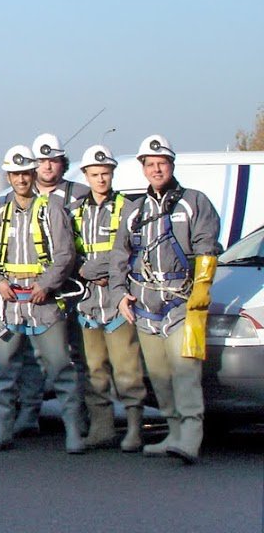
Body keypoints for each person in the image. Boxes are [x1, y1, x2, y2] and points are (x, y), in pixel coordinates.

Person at [112, 134, 221, 465]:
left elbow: (207, 249)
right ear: (143, 168)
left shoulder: (194, 202)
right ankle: (173, 432)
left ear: (172, 165)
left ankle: (191, 436)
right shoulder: (135, 210)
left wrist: (200, 295)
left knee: (185, 373)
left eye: (162, 163)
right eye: (151, 164)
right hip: (145, 306)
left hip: (181, 303)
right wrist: (119, 294)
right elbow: (119, 255)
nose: (156, 169)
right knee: (159, 376)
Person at [0, 146, 84, 453]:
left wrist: (47, 284)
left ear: (32, 174)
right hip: (9, 305)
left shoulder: (52, 210)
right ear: (8, 176)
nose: (21, 180)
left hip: (44, 304)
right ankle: (2, 431)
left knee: (60, 367)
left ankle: (74, 432)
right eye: (15, 174)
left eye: (25, 174)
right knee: (4, 371)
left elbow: (65, 254)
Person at [70, 145, 147, 451]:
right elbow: (66, 251)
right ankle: (101, 428)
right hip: (87, 303)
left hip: (119, 302)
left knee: (127, 369)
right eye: (95, 174)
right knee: (94, 369)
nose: (101, 179)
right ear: (86, 175)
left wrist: (106, 273)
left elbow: (134, 250)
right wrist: (83, 271)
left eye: (105, 173)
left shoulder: (129, 208)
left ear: (112, 173)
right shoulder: (75, 211)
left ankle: (134, 429)